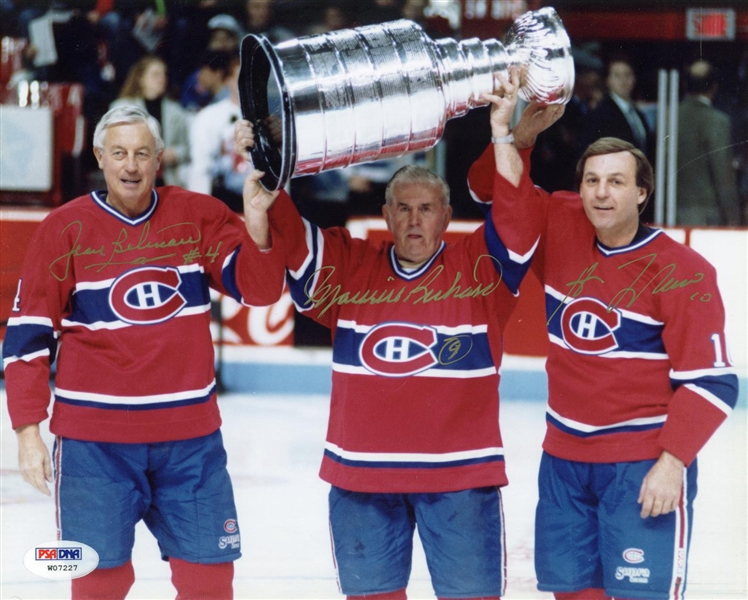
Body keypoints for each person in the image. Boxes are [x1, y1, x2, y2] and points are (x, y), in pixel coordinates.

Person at [234, 107, 546, 600]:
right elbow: (294, 242)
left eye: (427, 208)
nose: (414, 219)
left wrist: (507, 136)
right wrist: (267, 155)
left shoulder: (479, 269)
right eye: (402, 207)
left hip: (460, 478)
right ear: (385, 215)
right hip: (362, 475)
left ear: (447, 216)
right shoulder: (353, 266)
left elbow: (519, 220)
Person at [467, 71, 739, 600]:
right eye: (591, 180)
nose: (600, 192)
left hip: (641, 465)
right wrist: (514, 135)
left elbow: (712, 382)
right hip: (564, 462)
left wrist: (672, 463)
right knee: (571, 593)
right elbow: (490, 193)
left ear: (642, 192)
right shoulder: (559, 223)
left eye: (616, 181)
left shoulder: (683, 270)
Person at [3, 105, 285, 600]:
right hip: (95, 446)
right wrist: (28, 433)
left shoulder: (198, 214)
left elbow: (260, 290)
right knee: (98, 586)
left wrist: (257, 218)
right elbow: (27, 336)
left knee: (209, 584)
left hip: (190, 441)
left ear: (159, 158)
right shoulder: (64, 228)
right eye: (118, 154)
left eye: (140, 154)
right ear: (99, 157)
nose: (130, 166)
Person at [581, 56, 656, 224]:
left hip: (636, 189)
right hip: (613, 190)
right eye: (617, 75)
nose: (623, 81)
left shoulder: (637, 113)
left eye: (628, 75)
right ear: (608, 81)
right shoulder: (601, 113)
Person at [676, 59, 741, 226]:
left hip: (670, 212)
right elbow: (723, 175)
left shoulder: (668, 117)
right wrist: (733, 220)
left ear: (685, 85)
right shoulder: (717, 121)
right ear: (714, 87)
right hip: (706, 217)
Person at [111, 54, 190, 187]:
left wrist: (174, 154)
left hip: (167, 178)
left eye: (164, 75)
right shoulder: (121, 108)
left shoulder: (176, 110)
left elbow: (186, 148)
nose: (161, 79)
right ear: (141, 79)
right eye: (155, 75)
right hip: (132, 177)